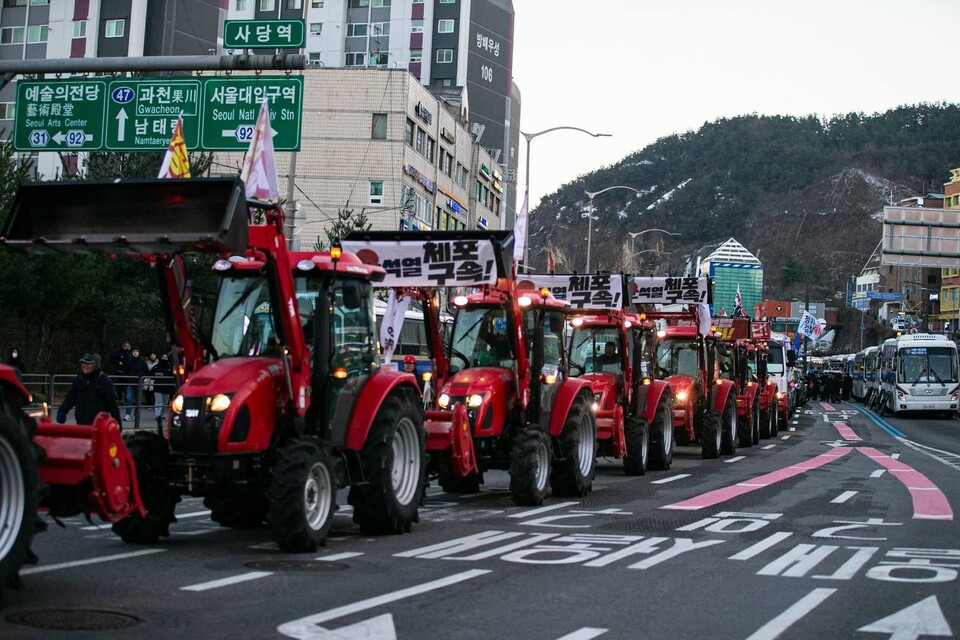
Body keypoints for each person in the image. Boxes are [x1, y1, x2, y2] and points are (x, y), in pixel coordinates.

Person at [56, 353, 122, 426]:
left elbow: (112, 404)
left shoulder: (105, 381)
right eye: (83, 363)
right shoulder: (79, 380)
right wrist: (62, 411)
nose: (85, 366)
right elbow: (70, 398)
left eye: (89, 364)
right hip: (81, 423)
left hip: (99, 424)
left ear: (96, 365)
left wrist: (117, 424)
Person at [111, 340, 134, 421]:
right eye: (126, 346)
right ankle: (117, 400)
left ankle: (123, 401)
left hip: (127, 374)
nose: (127, 347)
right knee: (118, 387)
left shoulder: (129, 354)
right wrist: (118, 362)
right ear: (123, 346)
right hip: (119, 372)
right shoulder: (118, 353)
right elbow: (112, 359)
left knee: (126, 388)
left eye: (128, 346)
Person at [152, 352, 174, 430]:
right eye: (163, 357)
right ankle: (157, 415)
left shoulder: (171, 367)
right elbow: (151, 374)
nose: (164, 358)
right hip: (158, 387)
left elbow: (173, 376)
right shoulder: (157, 366)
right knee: (158, 401)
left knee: (165, 402)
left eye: (166, 357)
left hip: (167, 387)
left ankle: (163, 414)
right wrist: (156, 375)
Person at [129, 346, 150, 422]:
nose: (135, 353)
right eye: (134, 351)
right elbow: (125, 370)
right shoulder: (129, 361)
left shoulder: (142, 362)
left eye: (136, 352)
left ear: (139, 353)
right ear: (132, 353)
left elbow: (147, 372)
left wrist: (142, 377)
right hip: (130, 383)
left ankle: (136, 414)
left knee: (138, 400)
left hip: (139, 383)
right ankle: (128, 414)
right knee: (128, 399)